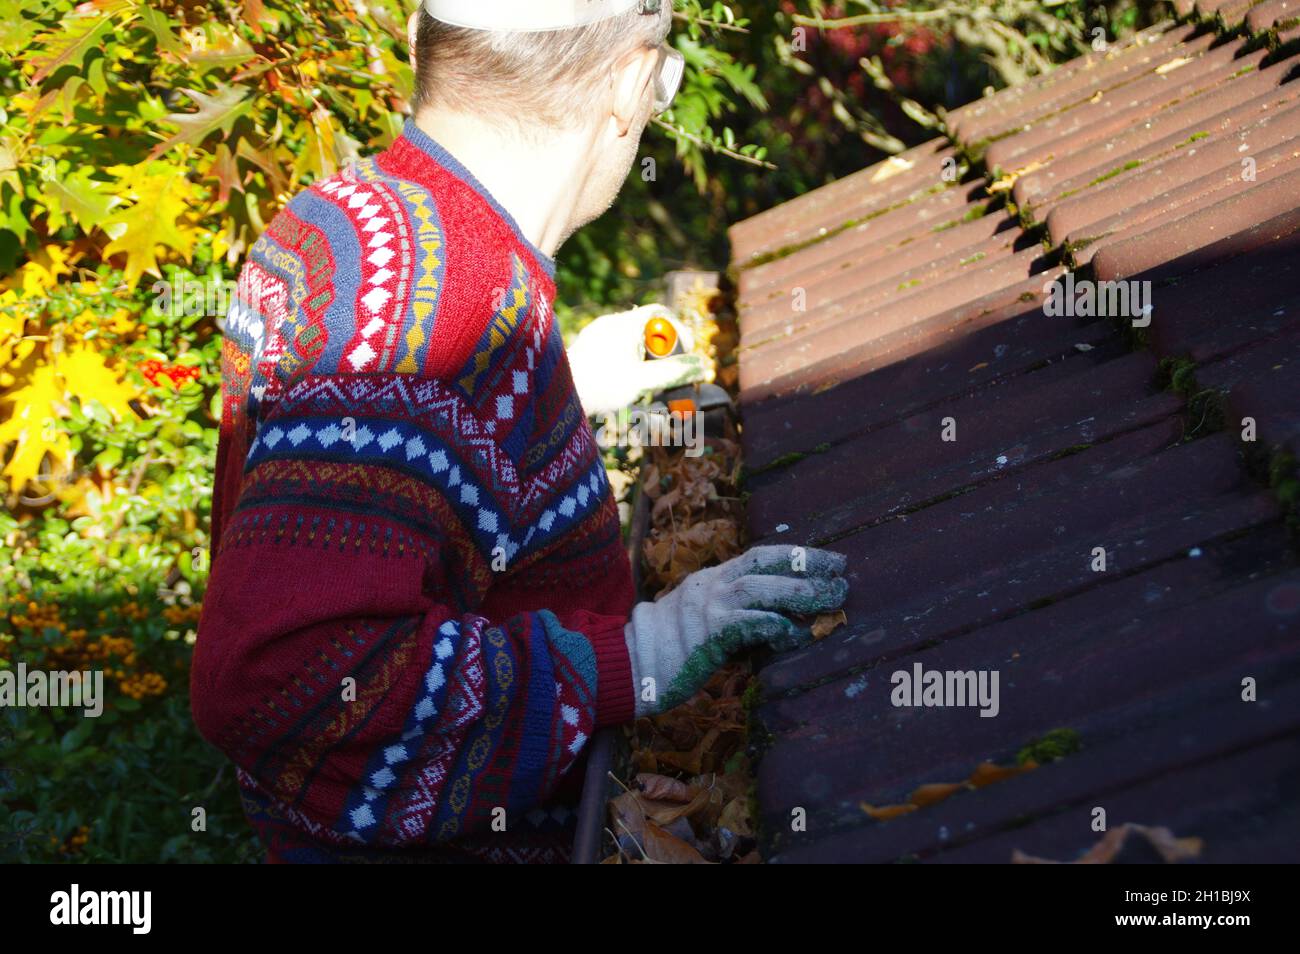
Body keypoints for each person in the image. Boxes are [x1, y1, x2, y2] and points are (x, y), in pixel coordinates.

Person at [191, 0, 848, 863]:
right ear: (629, 81)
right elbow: (282, 682)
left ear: (428, 48)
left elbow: (401, 491)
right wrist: (644, 653)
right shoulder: (448, 307)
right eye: (663, 81)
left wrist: (559, 388)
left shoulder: (343, 216)